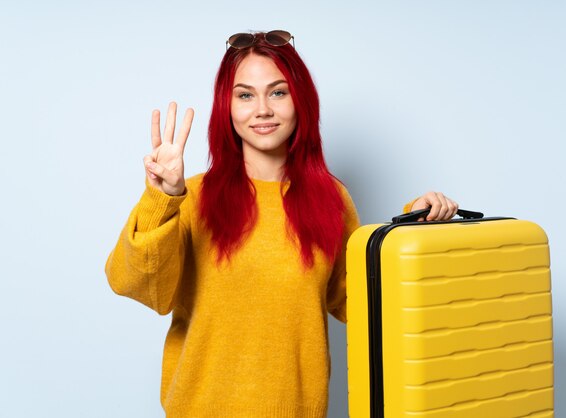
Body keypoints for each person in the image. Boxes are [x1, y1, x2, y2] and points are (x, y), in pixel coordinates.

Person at [105, 30, 459, 418]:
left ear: (300, 101)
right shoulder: (191, 198)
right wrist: (162, 198)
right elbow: (138, 285)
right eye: (245, 95)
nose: (262, 110)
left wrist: (411, 229)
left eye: (278, 92)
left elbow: (360, 304)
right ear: (227, 106)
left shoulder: (332, 200)